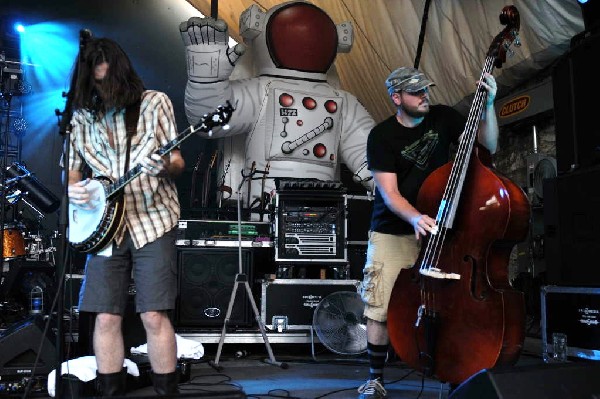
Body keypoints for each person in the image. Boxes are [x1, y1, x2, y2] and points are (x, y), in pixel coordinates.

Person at [357, 66, 498, 398]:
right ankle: (375, 377)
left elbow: (487, 146)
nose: (425, 97)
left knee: (448, 300)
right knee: (379, 304)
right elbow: (390, 194)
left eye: (426, 90)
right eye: (416, 93)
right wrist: (415, 217)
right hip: (394, 229)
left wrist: (489, 105)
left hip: (442, 229)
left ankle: (449, 370)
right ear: (396, 98)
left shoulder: (445, 118)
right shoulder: (381, 136)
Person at [65, 38, 185, 396]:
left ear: (121, 73)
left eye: (107, 81)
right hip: (104, 229)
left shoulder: (154, 103)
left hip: (153, 219)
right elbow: (72, 174)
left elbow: (177, 160)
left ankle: (168, 392)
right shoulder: (81, 117)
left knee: (153, 314)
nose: (103, 89)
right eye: (95, 83)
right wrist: (76, 190)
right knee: (105, 315)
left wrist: (163, 165)